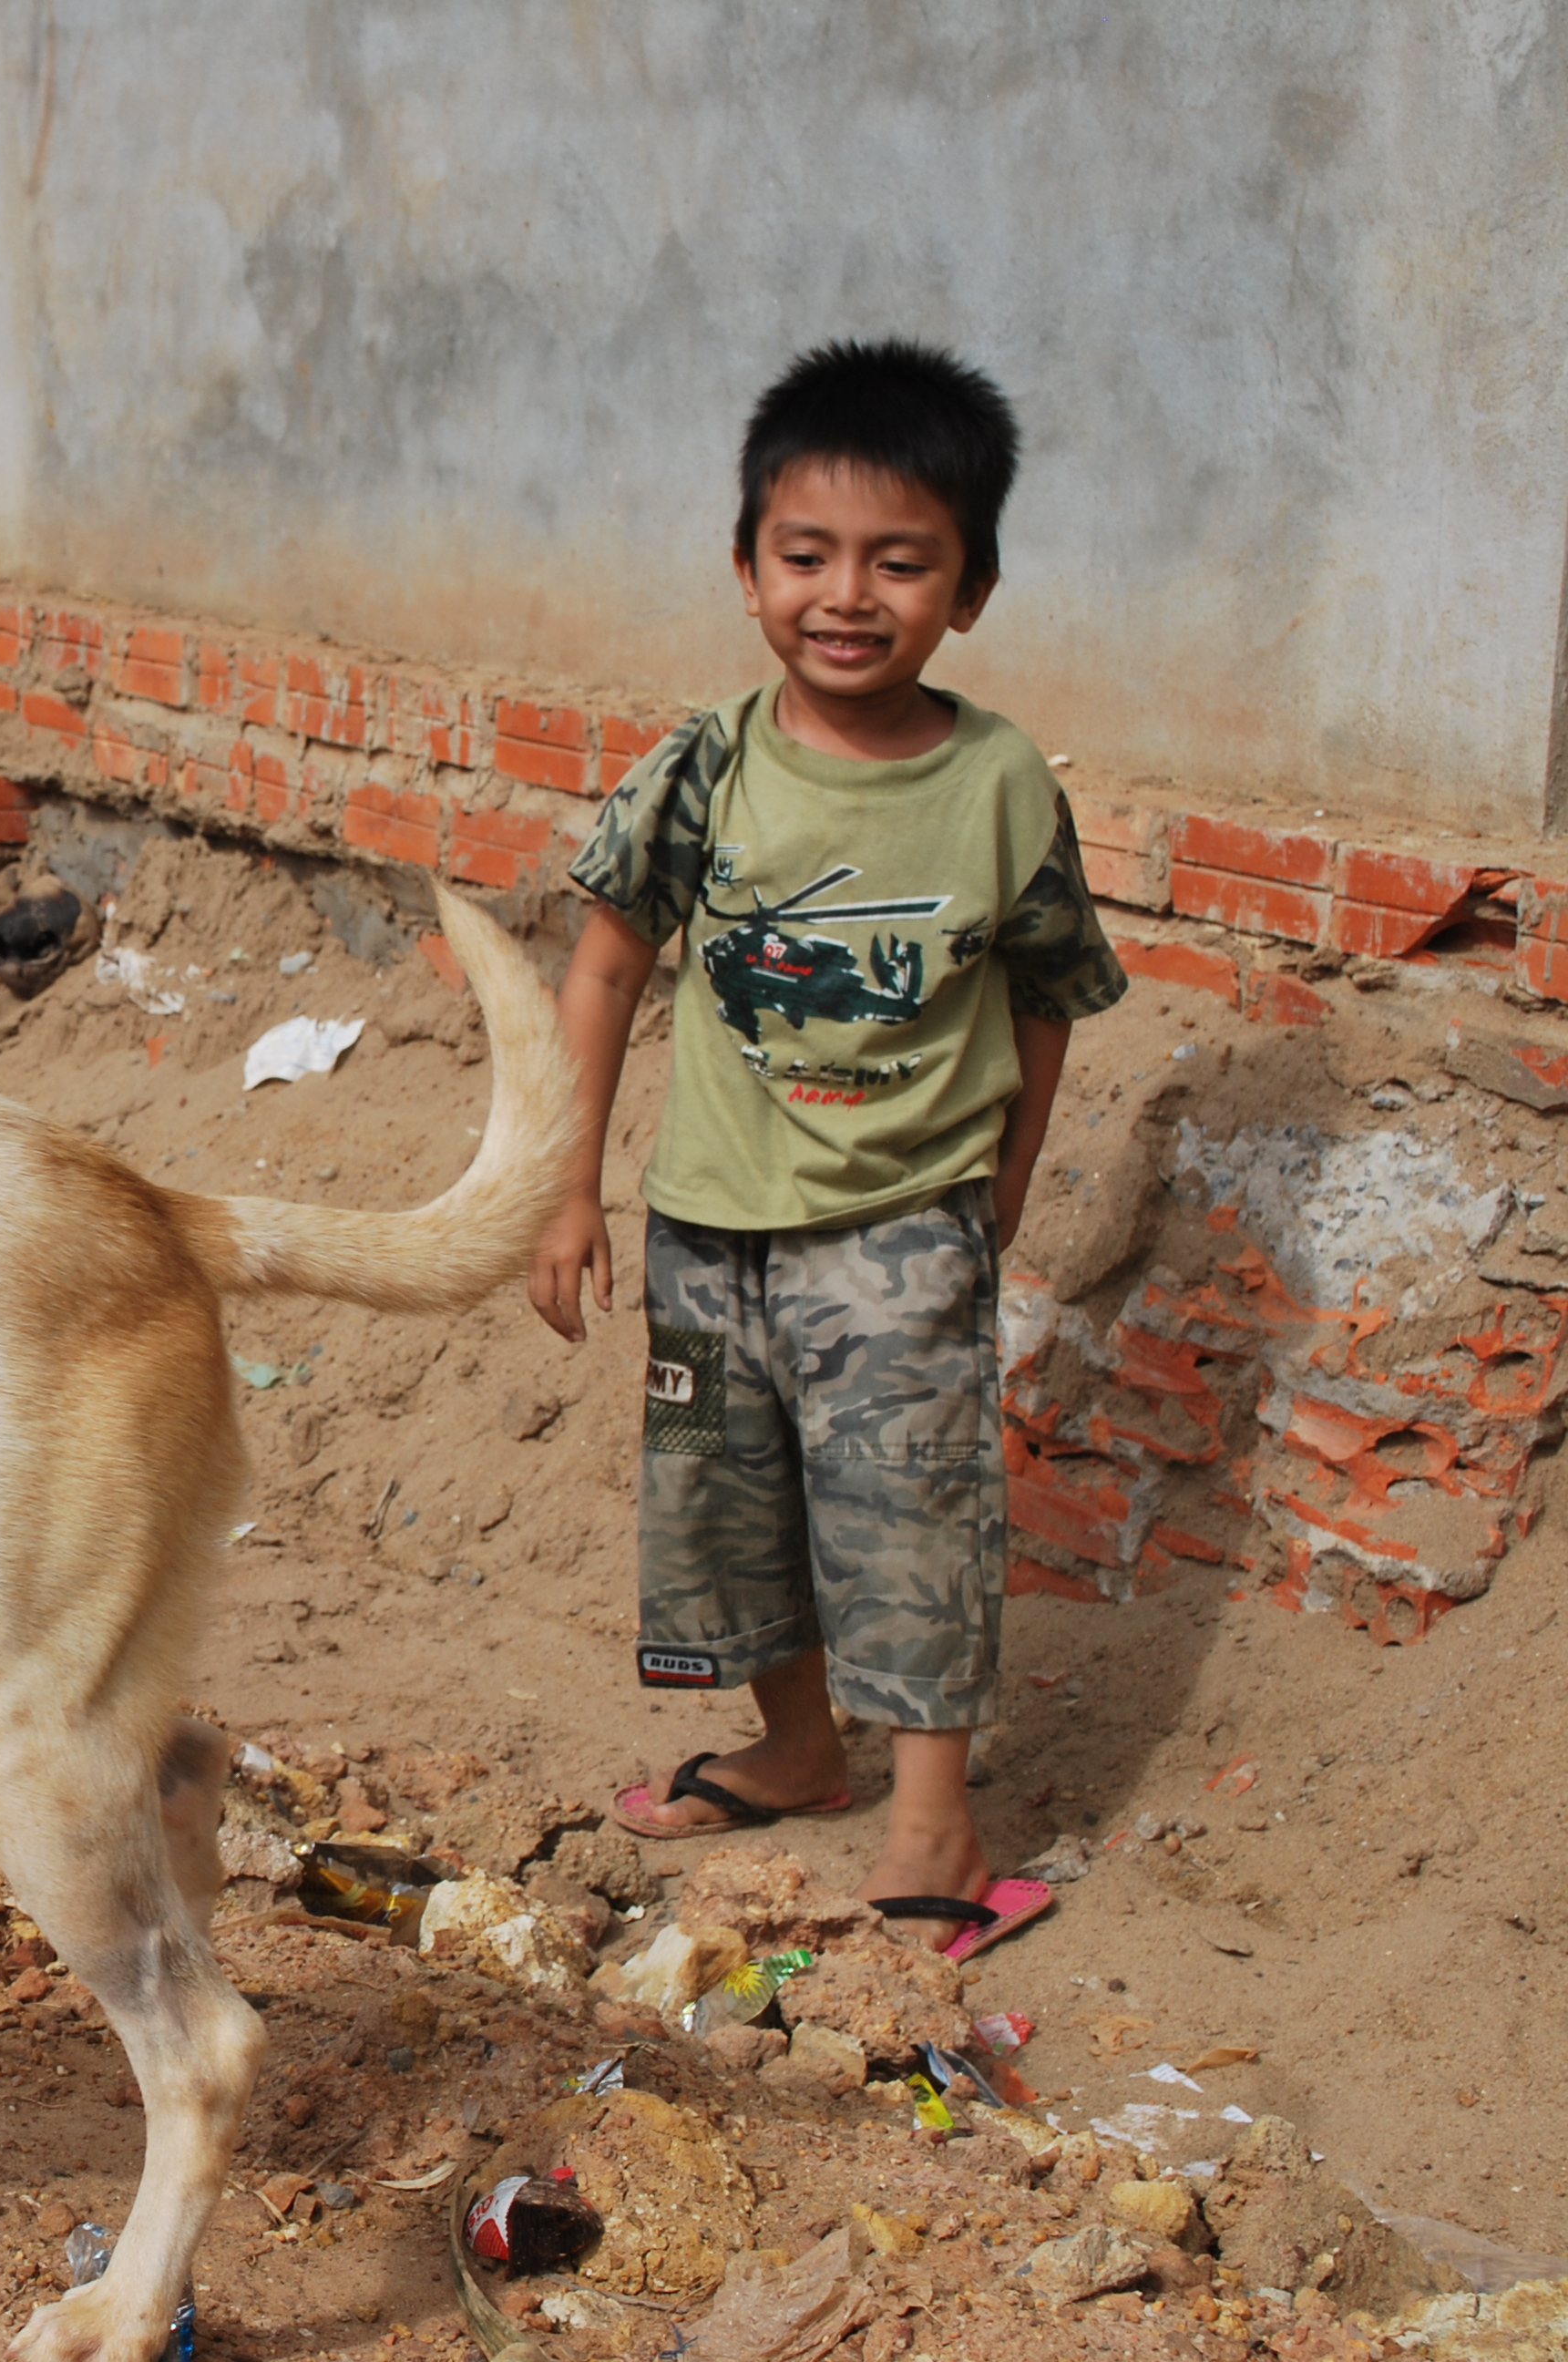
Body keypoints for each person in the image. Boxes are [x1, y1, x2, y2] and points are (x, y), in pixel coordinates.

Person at [527, 339, 1127, 1961]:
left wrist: (1003, 1174)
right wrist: (570, 1186)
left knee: (914, 1512)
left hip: (899, 1230)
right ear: (747, 569)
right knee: (729, 1510)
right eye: (806, 556)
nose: (846, 595)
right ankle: (798, 1750)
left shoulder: (1000, 784)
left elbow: (1053, 991)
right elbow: (602, 964)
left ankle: (935, 1821)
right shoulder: (703, 771)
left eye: (900, 561)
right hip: (705, 1227)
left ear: (971, 590)